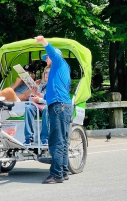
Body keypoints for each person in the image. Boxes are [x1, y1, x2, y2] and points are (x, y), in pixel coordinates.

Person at [34, 36, 73, 184]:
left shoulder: (59, 63)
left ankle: (56, 175)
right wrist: (39, 94)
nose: (46, 60)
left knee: (56, 141)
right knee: (62, 140)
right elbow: (53, 93)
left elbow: (54, 55)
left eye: (47, 57)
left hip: (59, 106)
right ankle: (63, 171)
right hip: (62, 105)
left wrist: (44, 42)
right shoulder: (59, 72)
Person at [23, 66, 50, 146]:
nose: (46, 74)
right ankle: (28, 138)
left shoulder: (54, 86)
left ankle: (45, 138)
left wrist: (40, 100)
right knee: (28, 108)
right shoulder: (41, 85)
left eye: (49, 73)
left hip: (48, 106)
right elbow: (32, 98)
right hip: (37, 106)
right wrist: (33, 96)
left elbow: (52, 100)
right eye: (45, 73)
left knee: (47, 108)